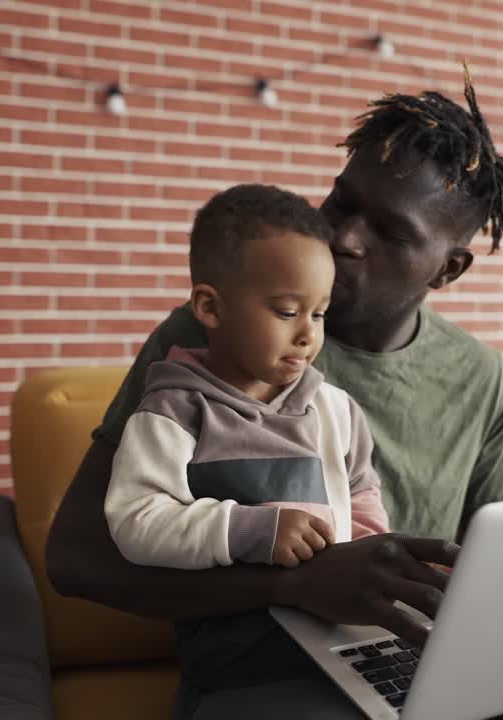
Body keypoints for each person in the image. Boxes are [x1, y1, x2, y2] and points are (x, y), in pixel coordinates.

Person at [47, 68, 503, 719]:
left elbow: (495, 571)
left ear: (449, 269)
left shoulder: (481, 379)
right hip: (269, 672)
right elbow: (77, 558)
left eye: (390, 232)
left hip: (425, 660)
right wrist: (295, 581)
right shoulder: (213, 336)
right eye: (341, 203)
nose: (342, 238)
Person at [105, 184, 390, 574]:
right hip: (233, 629)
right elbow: (137, 520)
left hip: (334, 625)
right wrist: (250, 530)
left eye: (319, 314)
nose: (308, 334)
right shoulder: (174, 411)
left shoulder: (337, 411)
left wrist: (375, 565)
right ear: (210, 308)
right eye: (287, 312)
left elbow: (362, 503)